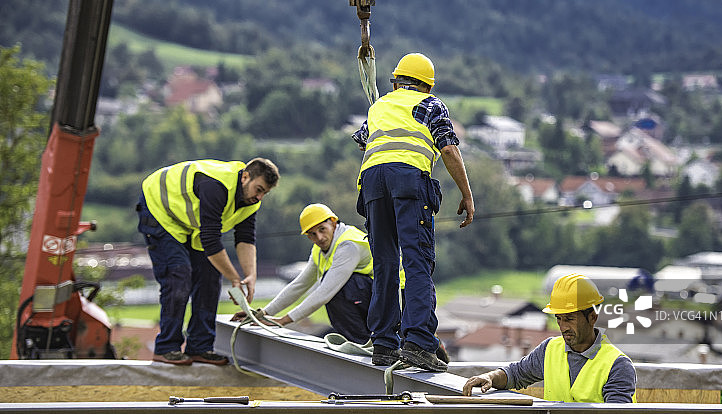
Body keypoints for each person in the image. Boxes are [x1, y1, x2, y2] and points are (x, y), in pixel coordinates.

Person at [352, 52, 475, 371]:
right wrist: (466, 194)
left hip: (372, 182)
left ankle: (384, 343)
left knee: (385, 263)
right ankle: (419, 342)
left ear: (395, 82)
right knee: (417, 260)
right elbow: (448, 148)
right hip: (408, 180)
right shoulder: (431, 105)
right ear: (428, 86)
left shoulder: (379, 106)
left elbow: (364, 140)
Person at [137, 158, 279, 366]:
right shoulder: (216, 185)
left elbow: (245, 238)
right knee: (179, 275)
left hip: (189, 224)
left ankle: (200, 346)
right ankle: (167, 348)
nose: (259, 197)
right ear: (245, 177)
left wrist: (250, 275)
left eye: (264, 193)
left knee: (210, 278)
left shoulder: (251, 202)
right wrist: (234, 278)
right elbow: (211, 242)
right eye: (258, 189)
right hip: (160, 209)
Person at [462, 274, 637, 402]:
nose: (563, 327)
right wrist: (491, 377)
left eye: (569, 319)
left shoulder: (617, 365)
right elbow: (516, 374)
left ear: (592, 317)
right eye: (559, 319)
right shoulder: (550, 349)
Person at [253, 204, 376, 344]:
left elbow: (325, 292)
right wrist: (263, 313)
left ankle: (362, 341)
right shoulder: (318, 251)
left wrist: (283, 321)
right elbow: (299, 285)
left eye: (322, 229)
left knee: (342, 287)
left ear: (333, 223)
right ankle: (356, 339)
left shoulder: (348, 245)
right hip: (371, 298)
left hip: (387, 300)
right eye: (312, 234)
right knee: (338, 285)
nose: (319, 238)